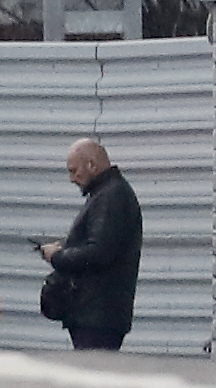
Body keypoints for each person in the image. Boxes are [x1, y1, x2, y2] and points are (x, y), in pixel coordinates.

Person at [36, 137, 143, 352]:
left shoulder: (110, 197)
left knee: (93, 374)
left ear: (92, 165)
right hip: (98, 314)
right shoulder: (109, 194)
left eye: (74, 171)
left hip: (97, 316)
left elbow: (99, 252)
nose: (71, 179)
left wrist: (57, 256)